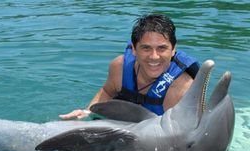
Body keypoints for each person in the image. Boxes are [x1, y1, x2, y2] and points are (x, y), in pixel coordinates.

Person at [59, 13, 199, 120]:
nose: (154, 57)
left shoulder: (181, 88)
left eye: (162, 48)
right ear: (133, 49)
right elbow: (107, 92)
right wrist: (87, 113)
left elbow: (183, 138)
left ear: (173, 49)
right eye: (146, 48)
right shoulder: (119, 67)